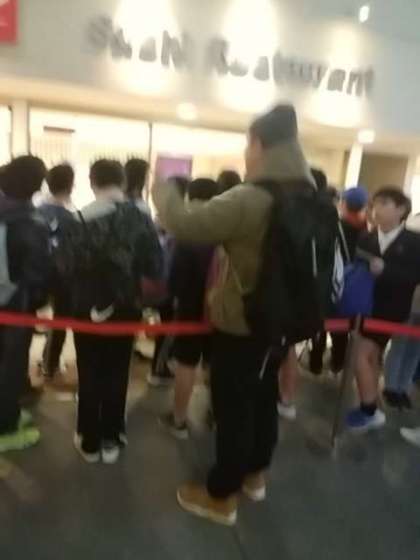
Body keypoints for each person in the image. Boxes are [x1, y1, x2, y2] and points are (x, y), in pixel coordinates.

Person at [153, 104, 314, 526]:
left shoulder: (251, 199)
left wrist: (163, 188)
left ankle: (221, 494)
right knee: (263, 401)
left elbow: (185, 222)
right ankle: (254, 476)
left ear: (258, 144)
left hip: (243, 325)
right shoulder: (308, 196)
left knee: (233, 409)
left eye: (248, 143)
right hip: (282, 324)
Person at [65, 159, 162, 464]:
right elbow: (155, 267)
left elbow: (64, 268)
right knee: (118, 369)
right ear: (122, 182)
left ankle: (88, 438)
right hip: (126, 306)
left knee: (89, 369)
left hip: (86, 307)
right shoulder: (141, 218)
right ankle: (112, 436)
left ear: (92, 182)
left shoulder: (78, 219)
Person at [346, 187, 420, 432]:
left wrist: (386, 270)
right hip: (363, 307)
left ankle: (369, 411)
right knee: (371, 356)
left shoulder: (414, 242)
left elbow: (414, 276)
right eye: (375, 203)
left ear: (401, 209)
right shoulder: (366, 237)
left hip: (391, 311)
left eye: (384, 203)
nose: (376, 209)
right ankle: (372, 402)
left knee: (360, 354)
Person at [159, 178, 219, 439]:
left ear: (191, 197)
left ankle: (179, 420)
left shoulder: (188, 231)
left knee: (186, 363)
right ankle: (216, 414)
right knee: (215, 363)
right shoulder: (227, 228)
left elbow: (174, 280)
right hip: (221, 310)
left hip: (190, 309)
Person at [0, 156, 51, 453]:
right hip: (15, 306)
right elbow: (38, 275)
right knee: (11, 365)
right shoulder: (32, 223)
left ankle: (8, 415)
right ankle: (5, 427)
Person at [309, 185, 369, 376]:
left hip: (330, 282)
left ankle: (315, 363)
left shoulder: (334, 226)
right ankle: (337, 363)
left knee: (321, 324)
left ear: (343, 204)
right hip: (353, 286)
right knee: (343, 328)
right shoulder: (367, 230)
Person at [147, 176, 190, 387]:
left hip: (155, 282)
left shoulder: (158, 219)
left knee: (166, 328)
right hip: (169, 286)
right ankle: (159, 368)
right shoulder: (180, 222)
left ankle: (160, 367)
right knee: (168, 328)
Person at [38, 164, 75, 379]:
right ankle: (50, 365)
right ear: (70, 186)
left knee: (25, 324)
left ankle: (22, 371)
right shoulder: (72, 218)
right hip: (63, 277)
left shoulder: (36, 211)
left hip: (35, 275)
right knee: (60, 320)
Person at [383, 212, 420, 409]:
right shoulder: (415, 223)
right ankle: (391, 387)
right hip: (409, 297)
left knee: (415, 348)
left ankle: (403, 387)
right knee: (401, 343)